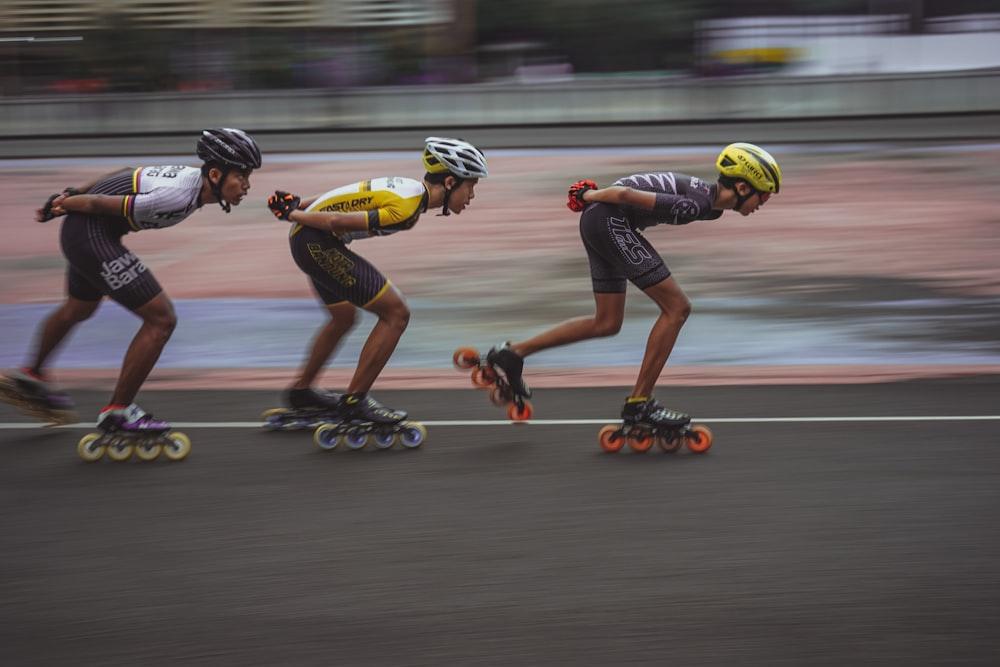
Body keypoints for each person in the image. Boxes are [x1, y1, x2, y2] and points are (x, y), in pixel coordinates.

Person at [482, 142, 782, 429]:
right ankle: (640, 403)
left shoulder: (710, 204)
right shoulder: (696, 203)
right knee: (677, 308)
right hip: (609, 218)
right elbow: (625, 194)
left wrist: (592, 201)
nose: (764, 203)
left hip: (601, 221)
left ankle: (513, 353)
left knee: (607, 322)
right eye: (764, 195)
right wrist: (588, 195)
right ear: (743, 187)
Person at [1, 128, 261, 433]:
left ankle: (33, 374)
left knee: (79, 309)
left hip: (89, 233)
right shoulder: (176, 196)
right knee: (161, 319)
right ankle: (118, 412)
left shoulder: (191, 181)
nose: (246, 185)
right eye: (241, 176)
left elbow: (126, 172)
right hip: (90, 233)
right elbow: (98, 205)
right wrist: (64, 204)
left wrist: (72, 193)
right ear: (216, 174)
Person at [266, 136, 488, 427]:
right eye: (470, 187)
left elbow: (344, 195)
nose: (471, 196)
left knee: (343, 317)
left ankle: (302, 393)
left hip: (309, 239)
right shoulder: (406, 208)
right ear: (449, 183)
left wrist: (299, 206)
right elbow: (337, 222)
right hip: (316, 241)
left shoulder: (406, 188)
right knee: (396, 313)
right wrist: (293, 212)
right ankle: (354, 402)